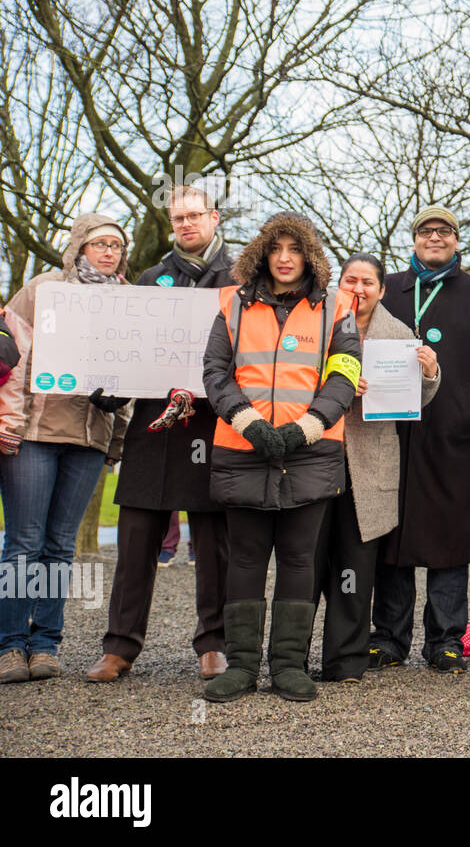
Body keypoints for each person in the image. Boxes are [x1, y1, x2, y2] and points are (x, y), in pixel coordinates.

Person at [200, 212, 360, 703]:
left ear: (308, 254)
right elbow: (215, 372)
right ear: (262, 254)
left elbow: (345, 374)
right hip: (242, 447)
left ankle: (289, 665)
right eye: (276, 248)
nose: (285, 258)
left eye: (295, 249)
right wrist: (248, 423)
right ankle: (242, 667)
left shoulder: (337, 307)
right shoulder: (232, 304)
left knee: (297, 558)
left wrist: (305, 429)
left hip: (310, 451)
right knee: (245, 558)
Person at [88, 185, 236, 684]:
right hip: (154, 428)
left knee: (215, 544)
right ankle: (120, 646)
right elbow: (125, 353)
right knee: (134, 542)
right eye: (178, 218)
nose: (186, 224)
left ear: (215, 218)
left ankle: (213, 643)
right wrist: (106, 386)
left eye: (195, 215)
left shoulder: (239, 282)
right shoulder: (150, 282)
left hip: (214, 425)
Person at [369, 207, 470, 673]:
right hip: (390, 434)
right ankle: (388, 639)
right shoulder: (385, 292)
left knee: (450, 538)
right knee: (391, 538)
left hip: (455, 434)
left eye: (445, 231)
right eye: (425, 231)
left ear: (458, 241)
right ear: (413, 239)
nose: (435, 237)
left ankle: (446, 640)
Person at [0, 213, 134, 683]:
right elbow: (9, 360)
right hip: (34, 432)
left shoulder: (128, 303)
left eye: (116, 246)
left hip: (89, 438)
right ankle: (9, 646)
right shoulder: (42, 290)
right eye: (98, 244)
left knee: (59, 548)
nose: (108, 252)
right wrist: (7, 423)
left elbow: (132, 375)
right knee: (23, 544)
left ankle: (46, 644)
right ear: (78, 248)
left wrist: (117, 432)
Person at [309, 253, 440, 682]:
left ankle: (345, 661)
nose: (358, 290)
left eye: (368, 282)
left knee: (355, 565)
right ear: (338, 286)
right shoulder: (314, 323)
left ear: (382, 291)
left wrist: (431, 372)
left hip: (367, 465)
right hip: (317, 455)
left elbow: (414, 402)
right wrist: (337, 383)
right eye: (350, 281)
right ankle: (289, 657)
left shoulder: (400, 335)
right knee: (305, 560)